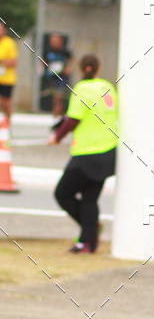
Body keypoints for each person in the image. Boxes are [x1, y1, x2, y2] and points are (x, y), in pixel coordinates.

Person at [48, 54, 118, 253]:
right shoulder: (108, 87)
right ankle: (88, 242)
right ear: (99, 68)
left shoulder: (81, 89)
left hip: (86, 153)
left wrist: (56, 137)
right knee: (90, 198)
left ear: (81, 68)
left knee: (63, 194)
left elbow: (73, 119)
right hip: (108, 152)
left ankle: (90, 230)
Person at [41, 32, 72, 117]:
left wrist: (68, 68)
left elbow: (70, 61)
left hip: (61, 77)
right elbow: (43, 62)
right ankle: (58, 116)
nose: (53, 42)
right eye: (52, 41)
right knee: (54, 98)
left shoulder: (65, 51)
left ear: (60, 41)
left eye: (55, 40)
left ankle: (56, 116)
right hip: (51, 77)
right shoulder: (47, 50)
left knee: (58, 97)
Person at [0, 21, 18, 122]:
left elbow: (13, 62)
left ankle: (8, 122)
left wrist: (2, 61)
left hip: (7, 79)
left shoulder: (9, 43)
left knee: (6, 103)